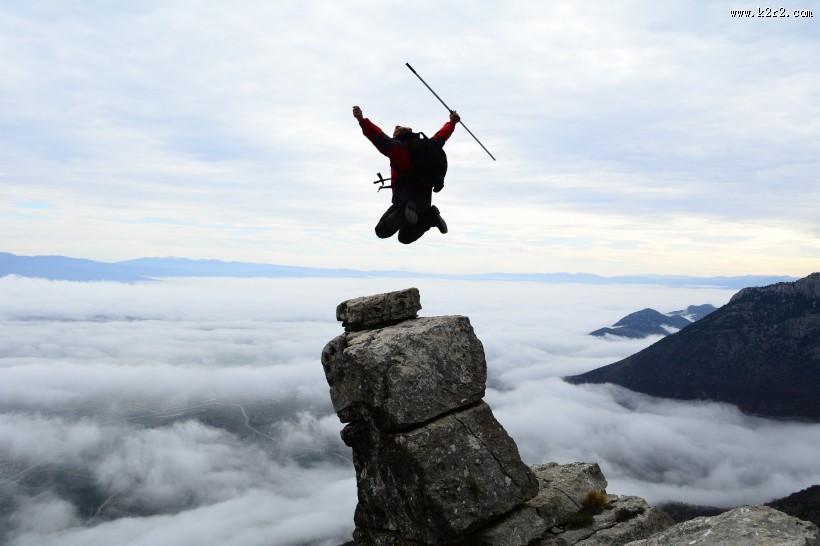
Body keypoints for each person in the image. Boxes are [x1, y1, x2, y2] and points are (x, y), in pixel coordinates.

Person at [353, 105, 459, 244]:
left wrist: (361, 120)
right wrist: (452, 122)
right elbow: (442, 135)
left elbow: (378, 137)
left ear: (397, 136)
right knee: (404, 238)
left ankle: (404, 213)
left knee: (381, 231)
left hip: (404, 201)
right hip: (424, 204)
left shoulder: (399, 148)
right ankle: (429, 218)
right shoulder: (430, 146)